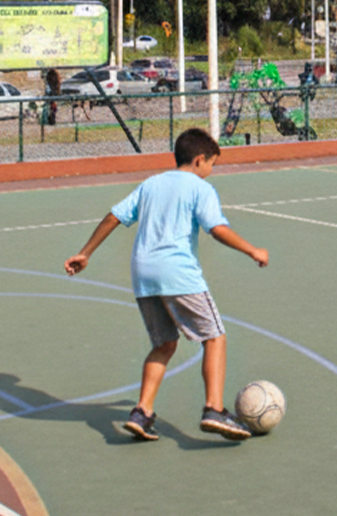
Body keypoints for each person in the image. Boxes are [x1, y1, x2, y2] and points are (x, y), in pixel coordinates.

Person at [63, 128, 269, 442]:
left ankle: (142, 412)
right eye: (211, 164)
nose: (211, 171)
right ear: (199, 160)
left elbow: (113, 216)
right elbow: (216, 228)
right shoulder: (200, 189)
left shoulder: (151, 184)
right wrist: (252, 249)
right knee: (214, 338)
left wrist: (86, 252)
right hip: (179, 275)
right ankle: (214, 407)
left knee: (164, 344)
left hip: (143, 276)